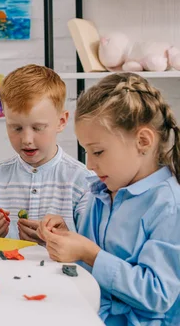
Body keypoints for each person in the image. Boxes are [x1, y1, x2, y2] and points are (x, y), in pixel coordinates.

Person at [40, 73, 180, 325]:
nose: (90, 164)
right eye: (86, 152)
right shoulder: (101, 190)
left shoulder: (169, 205)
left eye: (98, 152)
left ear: (143, 141)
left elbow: (158, 294)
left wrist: (89, 253)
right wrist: (69, 239)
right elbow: (91, 261)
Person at [0, 65, 90, 242]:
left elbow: (91, 250)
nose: (26, 139)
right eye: (16, 128)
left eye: (37, 128)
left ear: (61, 122)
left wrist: (59, 240)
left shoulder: (83, 180)